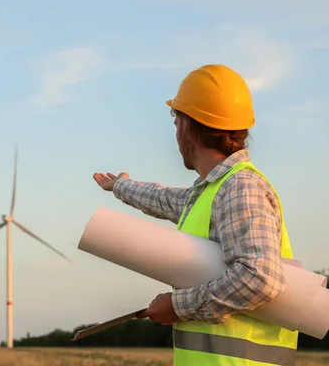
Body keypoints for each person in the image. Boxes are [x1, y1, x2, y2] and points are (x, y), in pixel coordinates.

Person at [93, 64, 298, 366]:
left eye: (176, 118)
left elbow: (259, 278)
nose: (175, 129)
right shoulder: (212, 192)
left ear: (188, 125)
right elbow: (167, 199)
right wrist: (121, 186)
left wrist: (178, 305)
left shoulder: (240, 188)